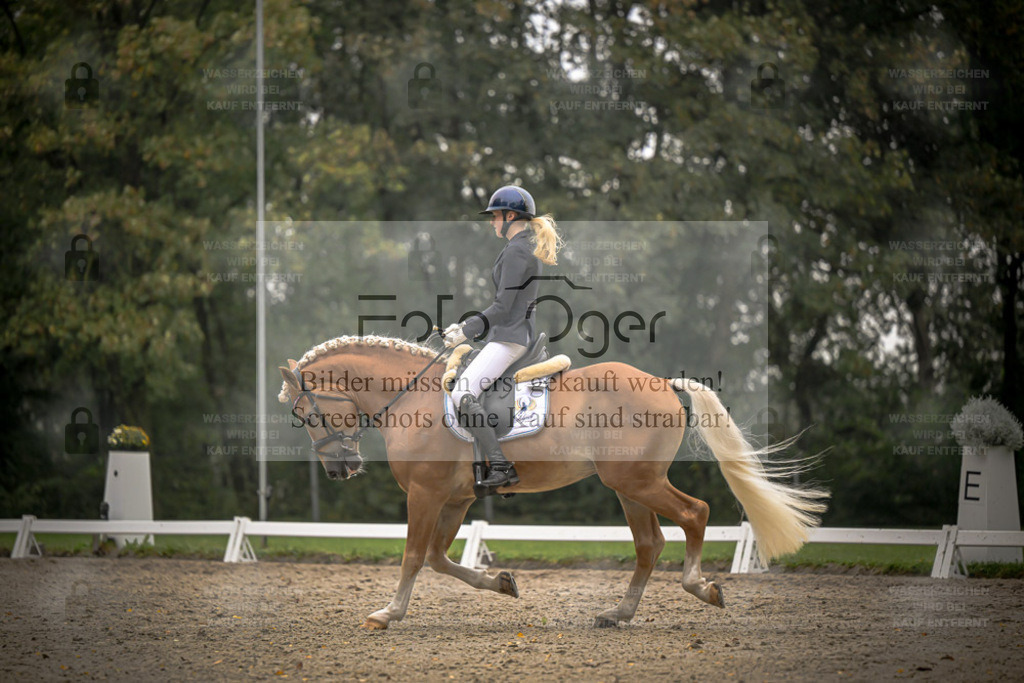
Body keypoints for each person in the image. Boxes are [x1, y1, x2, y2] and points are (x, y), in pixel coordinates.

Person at [443, 185, 562, 489]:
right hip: (508, 334)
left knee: (461, 393)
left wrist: (465, 331)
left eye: (495, 216)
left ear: (511, 216)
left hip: (509, 338)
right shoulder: (521, 248)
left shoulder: (517, 251)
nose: (492, 222)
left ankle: (500, 466)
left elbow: (502, 306)